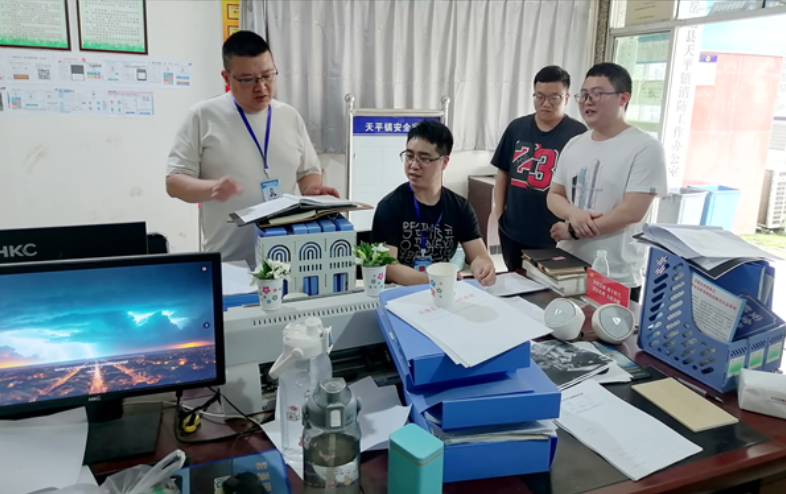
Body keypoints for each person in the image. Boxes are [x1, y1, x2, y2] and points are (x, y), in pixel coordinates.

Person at [166, 30, 338, 267]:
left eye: (268, 75)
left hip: (287, 257)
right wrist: (212, 188)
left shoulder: (289, 116)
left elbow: (307, 171)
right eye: (248, 80)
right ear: (226, 78)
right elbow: (174, 183)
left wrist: (311, 190)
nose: (262, 87)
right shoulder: (203, 116)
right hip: (230, 262)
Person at [547, 62, 667, 302]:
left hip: (615, 274)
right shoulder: (574, 144)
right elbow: (554, 195)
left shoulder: (645, 147)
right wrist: (573, 213)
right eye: (584, 95)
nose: (587, 101)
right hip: (567, 265)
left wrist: (573, 230)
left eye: (597, 94)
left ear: (623, 98)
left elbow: (631, 213)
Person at [371, 120, 496, 287]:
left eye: (424, 158)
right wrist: (434, 280)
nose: (413, 165)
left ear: (444, 162)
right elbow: (388, 266)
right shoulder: (390, 206)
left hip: (441, 292)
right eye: (409, 156)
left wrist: (484, 268)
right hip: (401, 291)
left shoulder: (460, 208)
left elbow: (479, 256)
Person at [492, 66, 586, 272]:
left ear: (566, 98)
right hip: (513, 231)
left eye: (554, 98)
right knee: (514, 281)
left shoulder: (579, 134)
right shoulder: (517, 128)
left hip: (553, 236)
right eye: (540, 96)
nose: (545, 103)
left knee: (547, 288)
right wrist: (499, 213)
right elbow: (503, 172)